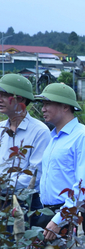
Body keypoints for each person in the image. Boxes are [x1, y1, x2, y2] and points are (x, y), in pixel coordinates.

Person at [35, 83, 85, 240]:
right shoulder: (53, 136)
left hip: (69, 217)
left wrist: (59, 220)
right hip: (49, 214)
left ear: (65, 106)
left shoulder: (83, 137)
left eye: (48, 104)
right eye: (43, 104)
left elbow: (82, 188)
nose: (43, 109)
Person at [0, 73, 50, 220]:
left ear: (20, 99)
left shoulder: (39, 131)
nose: (0, 99)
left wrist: (3, 185)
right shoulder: (1, 128)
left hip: (24, 204)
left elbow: (34, 177)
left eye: (4, 95)